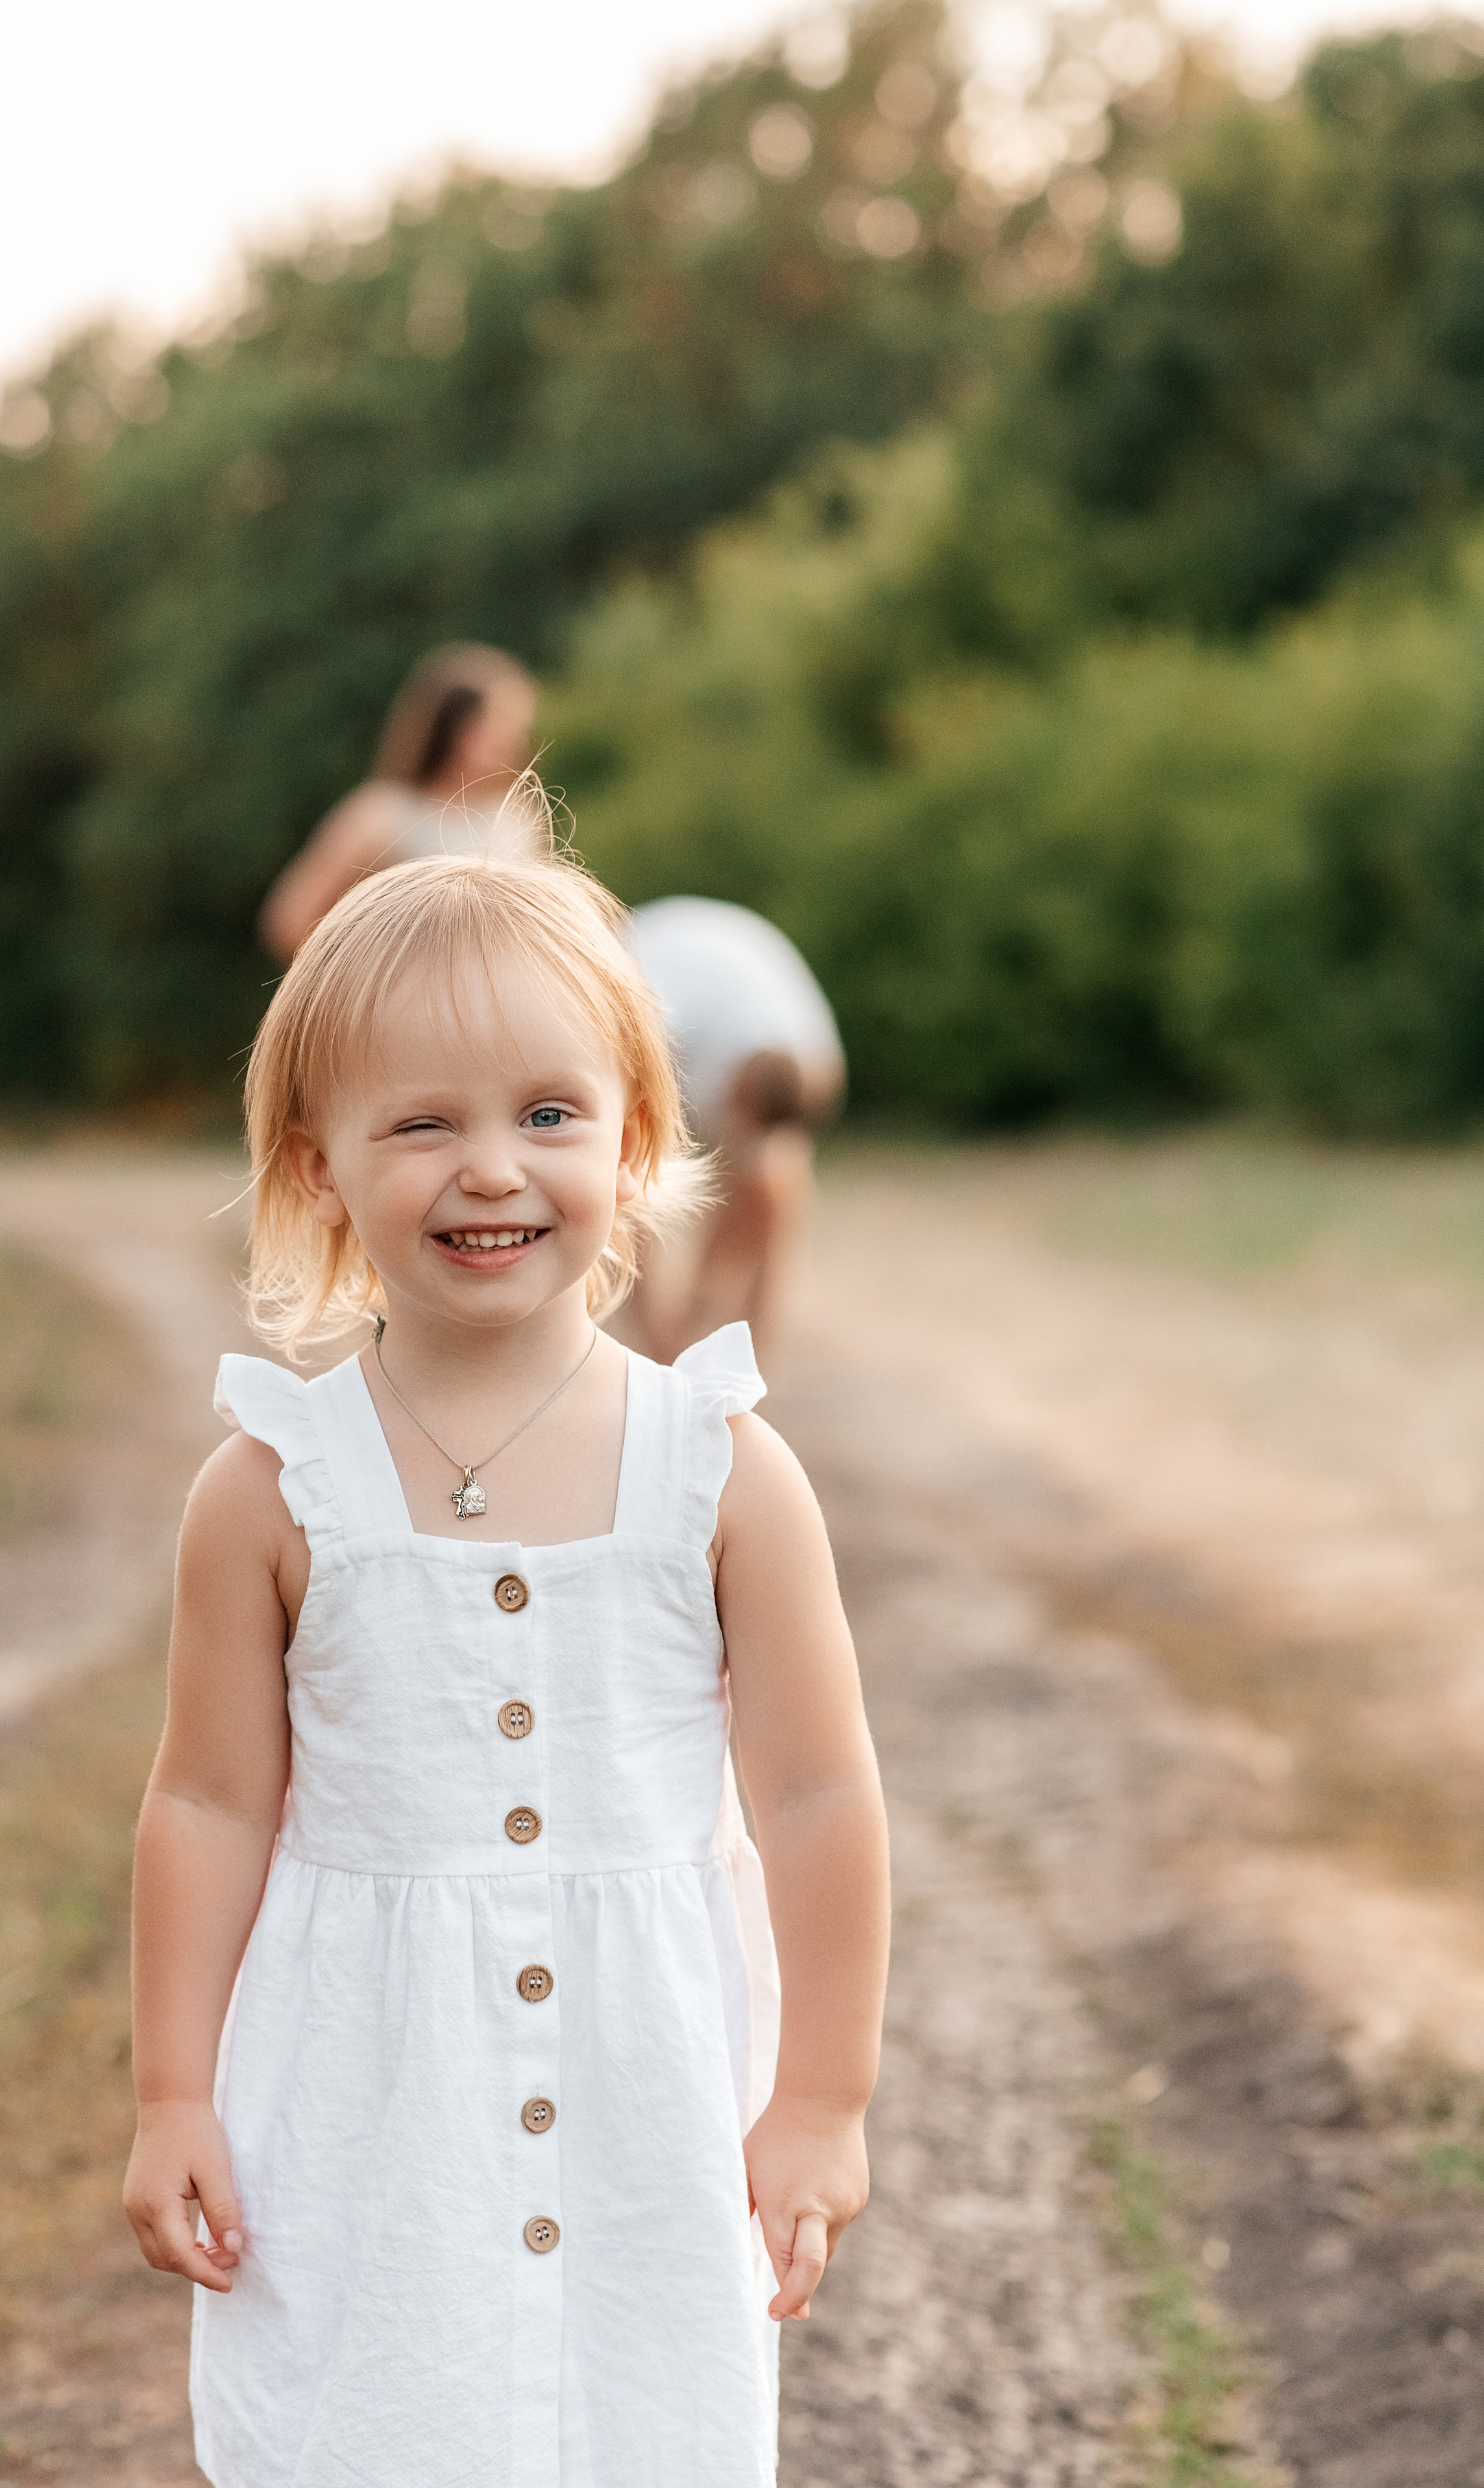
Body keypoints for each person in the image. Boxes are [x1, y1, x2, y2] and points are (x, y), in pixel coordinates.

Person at [123, 851, 890, 2488]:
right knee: (370, 2421)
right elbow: (202, 1800)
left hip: (646, 2101)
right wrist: (171, 2090)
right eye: (420, 1123)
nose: (493, 1169)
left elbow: (820, 1794)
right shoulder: (270, 1487)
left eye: (548, 1112)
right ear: (315, 1166)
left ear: (629, 1136)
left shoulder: (722, 1470)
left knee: (639, 2428)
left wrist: (820, 2094)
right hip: (361, 2103)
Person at [623, 895, 846, 1370]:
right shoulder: (660, 1018)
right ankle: (658, 1346)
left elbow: (768, 1183)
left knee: (773, 1184)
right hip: (643, 960)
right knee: (629, 1175)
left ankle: (741, 1352)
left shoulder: (813, 1054)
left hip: (726, 963)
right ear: (739, 1085)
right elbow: (631, 1187)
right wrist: (660, 1326)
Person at [257, 642, 540, 962]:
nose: (516, 739)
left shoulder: (515, 815)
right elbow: (289, 922)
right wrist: (374, 975)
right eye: (501, 723)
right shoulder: (384, 813)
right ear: (459, 731)